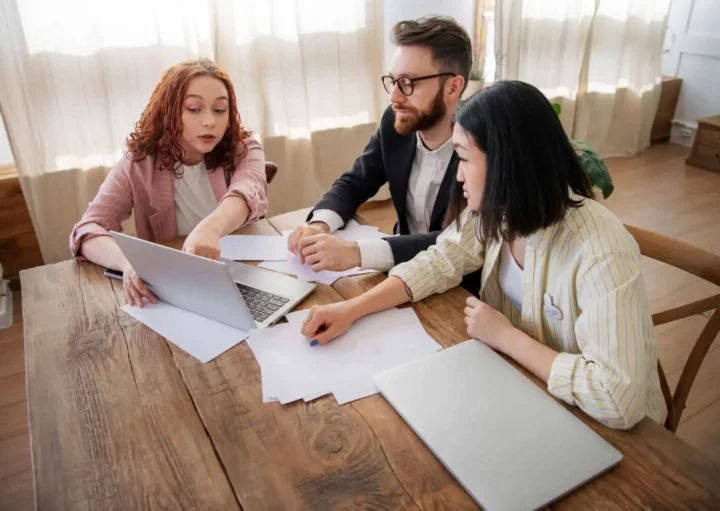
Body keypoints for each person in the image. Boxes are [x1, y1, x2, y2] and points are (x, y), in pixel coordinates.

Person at [300, 81, 664, 430]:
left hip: (606, 428)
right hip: (521, 388)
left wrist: (506, 337)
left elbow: (618, 397)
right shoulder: (498, 210)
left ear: (508, 162)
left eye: (463, 158)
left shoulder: (601, 248)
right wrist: (350, 310)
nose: (458, 176)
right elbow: (439, 261)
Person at [288, 16, 481, 292]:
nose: (394, 97)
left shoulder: (480, 149)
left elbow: (458, 243)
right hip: (398, 273)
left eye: (409, 83)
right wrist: (320, 225)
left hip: (458, 288)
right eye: (392, 80)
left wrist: (357, 252)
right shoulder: (395, 122)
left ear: (453, 87)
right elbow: (356, 181)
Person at [69, 58, 267, 307]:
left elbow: (247, 192)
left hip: (243, 276)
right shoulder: (139, 162)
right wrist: (129, 262)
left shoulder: (245, 148)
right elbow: (88, 231)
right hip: (175, 288)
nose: (210, 121)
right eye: (194, 109)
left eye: (219, 110)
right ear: (169, 111)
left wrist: (211, 229)